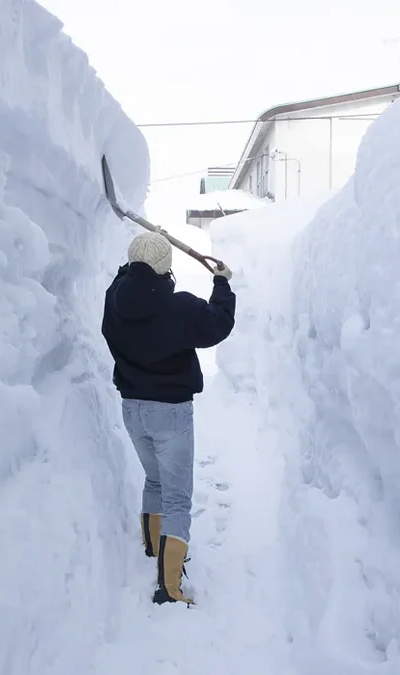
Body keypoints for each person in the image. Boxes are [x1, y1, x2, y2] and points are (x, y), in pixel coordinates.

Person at [100, 230, 236, 605]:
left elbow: (125, 278)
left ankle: (152, 547)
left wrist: (135, 262)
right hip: (170, 414)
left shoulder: (114, 300)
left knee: (155, 479)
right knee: (177, 498)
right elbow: (219, 324)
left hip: (132, 408)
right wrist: (222, 284)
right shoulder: (180, 308)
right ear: (165, 268)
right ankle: (169, 587)